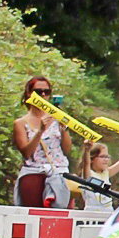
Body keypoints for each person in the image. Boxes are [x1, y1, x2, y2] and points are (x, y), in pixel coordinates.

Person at [12, 76, 72, 208]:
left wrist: (64, 129)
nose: (43, 95)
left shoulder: (56, 118)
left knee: (62, 213)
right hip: (34, 170)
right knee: (33, 213)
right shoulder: (21, 123)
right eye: (39, 92)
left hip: (59, 170)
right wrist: (40, 131)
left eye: (47, 92)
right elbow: (26, 153)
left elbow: (67, 149)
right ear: (29, 93)